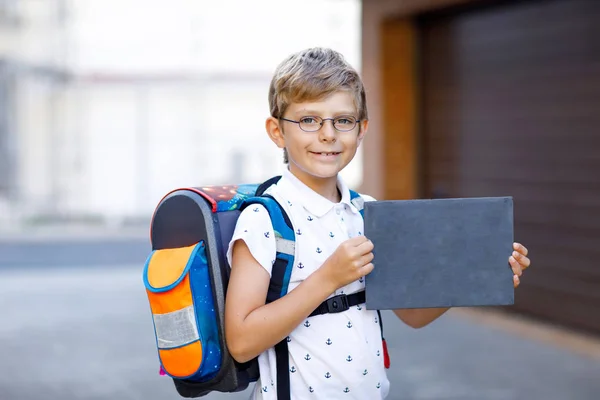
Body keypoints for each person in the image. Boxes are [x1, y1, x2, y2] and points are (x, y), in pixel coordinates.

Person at [224, 47, 531, 400]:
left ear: (362, 128)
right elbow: (242, 342)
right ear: (277, 131)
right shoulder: (265, 219)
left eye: (343, 120)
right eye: (309, 120)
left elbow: (412, 315)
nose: (328, 134)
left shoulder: (367, 213)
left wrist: (475, 271)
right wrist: (327, 279)